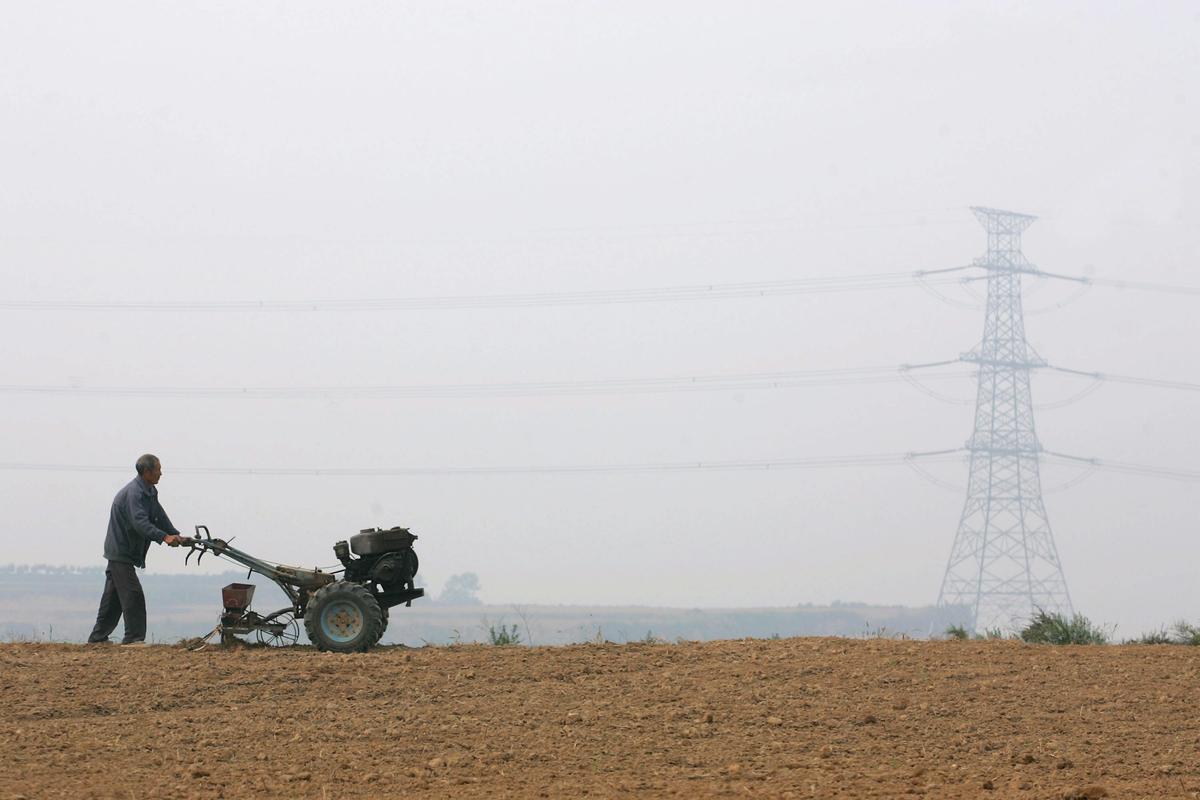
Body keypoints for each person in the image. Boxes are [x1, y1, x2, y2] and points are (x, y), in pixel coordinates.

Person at [87, 454, 184, 645]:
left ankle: (97, 638)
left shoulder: (149, 491)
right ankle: (134, 638)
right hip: (121, 551)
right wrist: (164, 537)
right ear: (147, 472)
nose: (161, 473)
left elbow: (158, 516)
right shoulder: (134, 494)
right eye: (158, 469)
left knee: (113, 600)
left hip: (126, 552)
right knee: (133, 595)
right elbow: (140, 523)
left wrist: (175, 534)